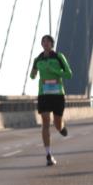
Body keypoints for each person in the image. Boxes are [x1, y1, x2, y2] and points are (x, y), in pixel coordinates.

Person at [29, 35, 73, 166]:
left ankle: (61, 128)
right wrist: (33, 73)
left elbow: (69, 74)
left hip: (58, 94)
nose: (45, 43)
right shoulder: (38, 59)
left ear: (52, 44)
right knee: (45, 121)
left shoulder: (59, 57)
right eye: (43, 41)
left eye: (48, 42)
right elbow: (32, 75)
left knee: (57, 123)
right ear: (41, 44)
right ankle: (48, 154)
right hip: (44, 94)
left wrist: (55, 70)